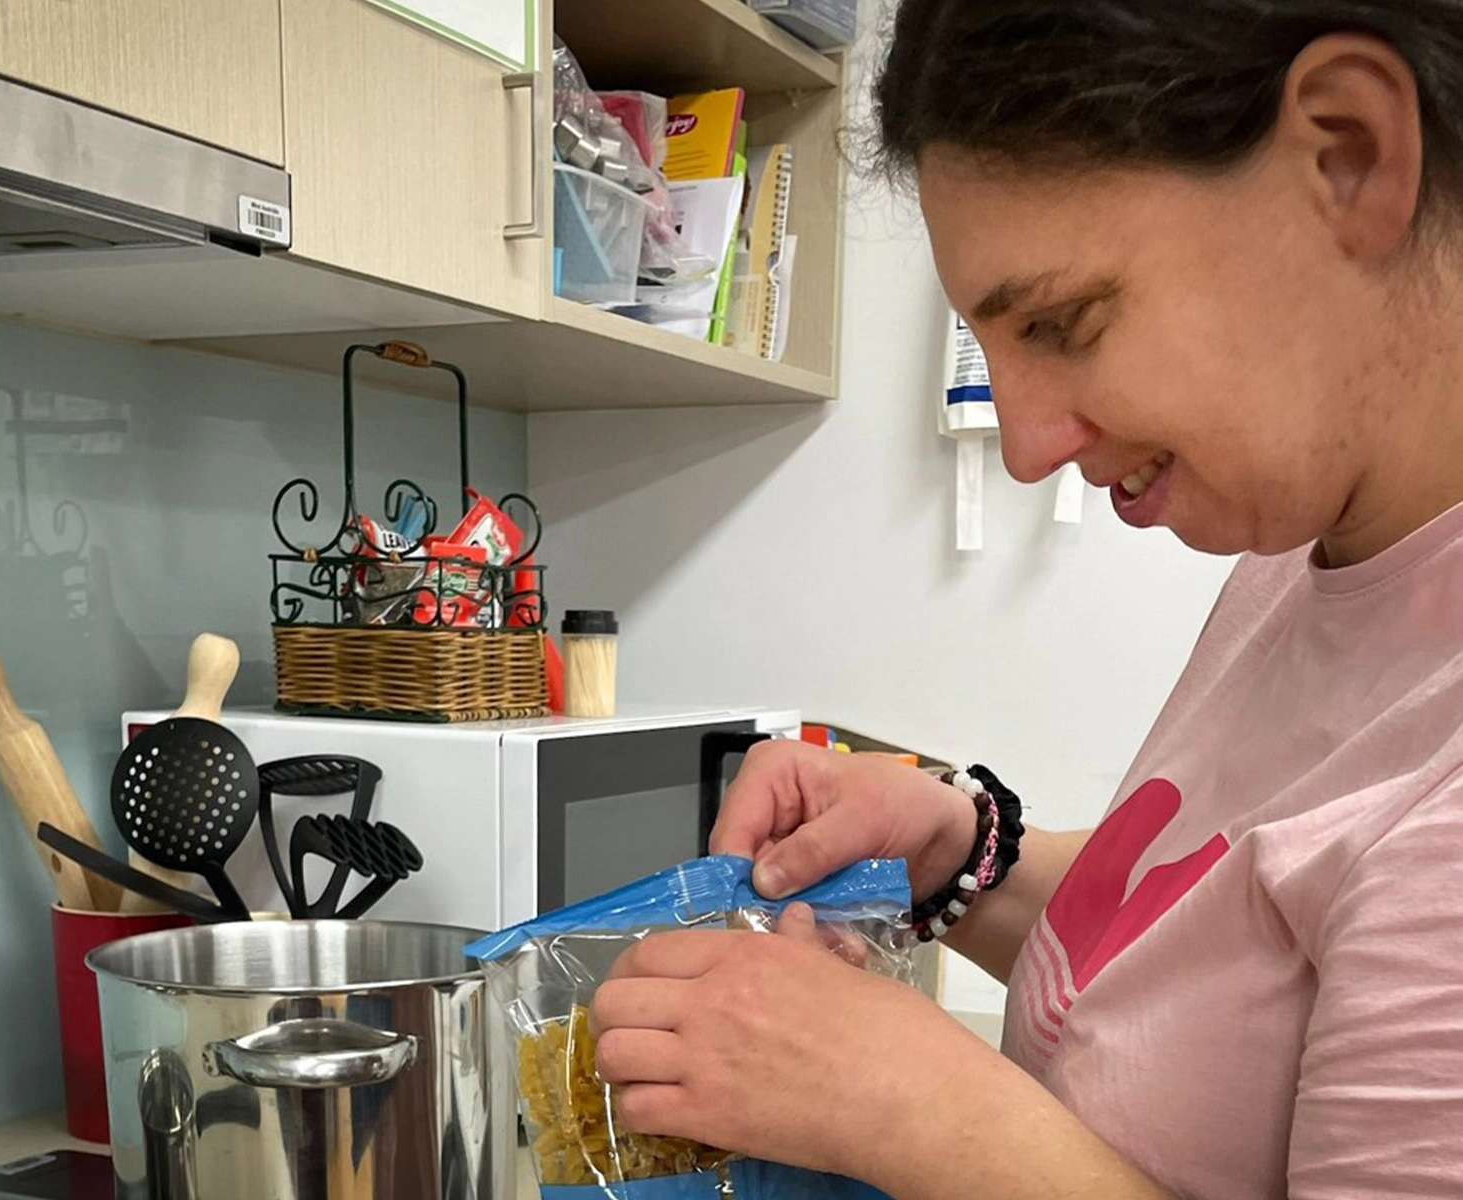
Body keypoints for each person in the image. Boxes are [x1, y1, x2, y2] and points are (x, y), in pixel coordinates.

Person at [588, 2, 1463, 1197]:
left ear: (1348, 151)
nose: (1027, 445)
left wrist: (915, 1109)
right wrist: (961, 858)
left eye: (1064, 321)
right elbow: (1224, 934)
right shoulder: (1303, 550)